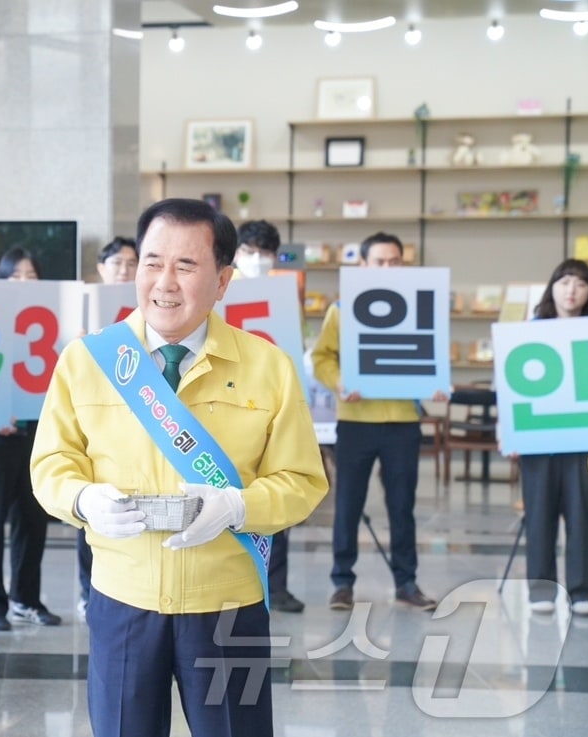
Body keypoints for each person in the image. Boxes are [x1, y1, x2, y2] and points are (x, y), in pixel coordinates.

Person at [31, 198, 328, 737]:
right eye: (152, 262)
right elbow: (52, 461)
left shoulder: (268, 366)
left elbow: (303, 481)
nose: (164, 282)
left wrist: (240, 505)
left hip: (228, 603)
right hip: (123, 598)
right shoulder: (88, 359)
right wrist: (81, 500)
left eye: (186, 266)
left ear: (223, 281)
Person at [311, 231, 443, 613]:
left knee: (402, 505)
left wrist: (436, 384)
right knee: (349, 504)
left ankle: (407, 582)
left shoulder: (420, 306)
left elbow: (431, 354)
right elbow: (322, 357)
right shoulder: (343, 307)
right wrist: (339, 383)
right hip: (356, 420)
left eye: (394, 261)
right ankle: (342, 583)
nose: (387, 268)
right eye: (379, 261)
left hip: (403, 420)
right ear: (363, 266)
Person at [0, 247, 62, 630]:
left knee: (33, 518)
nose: (24, 282)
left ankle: (26, 597)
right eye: (15, 275)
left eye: (30, 275)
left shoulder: (53, 317)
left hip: (37, 431)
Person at [234, 219, 305, 613]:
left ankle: (276, 585)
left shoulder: (285, 298)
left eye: (264, 253)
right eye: (249, 252)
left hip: (274, 409)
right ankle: (242, 578)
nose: (257, 260)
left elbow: (297, 354)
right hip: (232, 408)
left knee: (277, 491)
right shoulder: (221, 295)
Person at [516, 258, 588, 615]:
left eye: (580, 283)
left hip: (583, 442)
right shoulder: (531, 331)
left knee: (583, 516)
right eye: (564, 282)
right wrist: (510, 433)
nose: (571, 290)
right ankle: (542, 589)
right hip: (539, 441)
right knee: (540, 515)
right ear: (552, 288)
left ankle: (582, 590)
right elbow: (513, 389)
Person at [73, 236, 140, 616]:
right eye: (117, 263)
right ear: (101, 267)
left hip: (138, 421)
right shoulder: (83, 307)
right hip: (94, 424)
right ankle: (89, 591)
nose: (124, 270)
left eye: (132, 263)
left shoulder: (151, 311)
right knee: (93, 511)